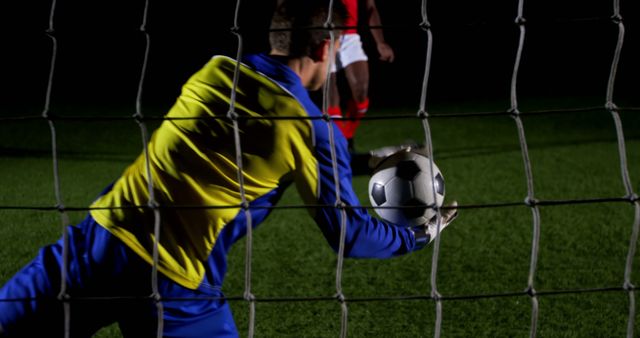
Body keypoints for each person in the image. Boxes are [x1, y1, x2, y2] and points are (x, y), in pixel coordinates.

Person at [0, 1, 456, 337]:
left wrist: (367, 161)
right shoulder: (311, 128)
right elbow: (350, 235)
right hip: (174, 287)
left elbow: (244, 151)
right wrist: (419, 234)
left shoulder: (214, 71)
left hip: (98, 244)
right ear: (324, 48)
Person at [327, 0, 395, 152]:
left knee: (361, 91)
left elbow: (370, 7)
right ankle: (339, 145)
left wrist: (381, 42)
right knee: (329, 90)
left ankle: (346, 135)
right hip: (325, 35)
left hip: (350, 36)